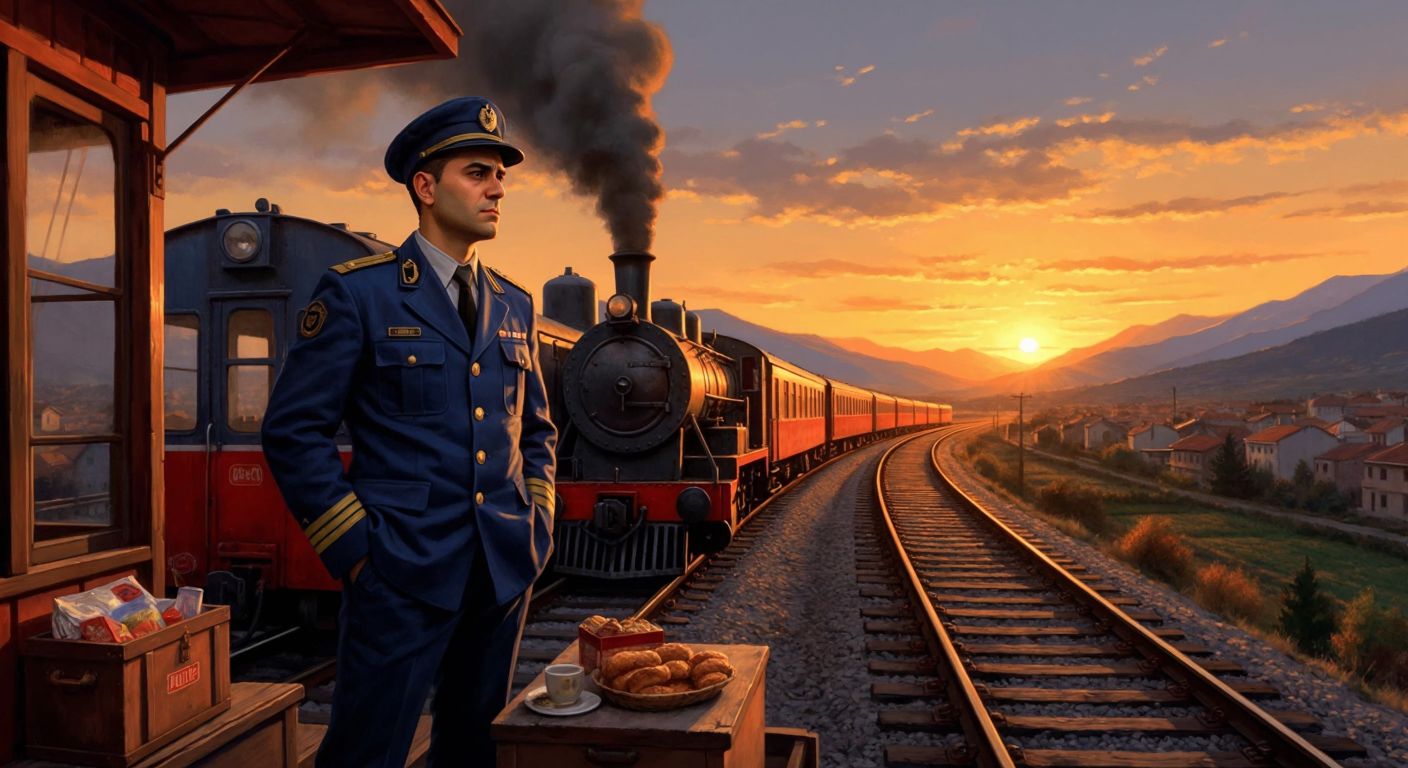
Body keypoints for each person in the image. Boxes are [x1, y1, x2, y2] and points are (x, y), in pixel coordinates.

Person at [261, 96, 557, 767]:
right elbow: (292, 432)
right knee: (367, 753)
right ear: (425, 187)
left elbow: (536, 428)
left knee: (475, 750)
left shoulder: (514, 302)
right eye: (477, 172)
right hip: (401, 571)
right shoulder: (358, 295)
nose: (497, 189)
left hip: (503, 568)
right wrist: (358, 553)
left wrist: (536, 517)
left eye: (501, 176)